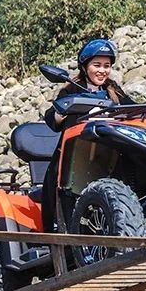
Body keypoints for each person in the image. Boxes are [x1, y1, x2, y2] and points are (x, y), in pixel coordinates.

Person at [40, 38, 133, 232]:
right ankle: (63, 232)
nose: (102, 70)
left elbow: (133, 109)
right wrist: (64, 109)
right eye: (97, 65)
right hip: (75, 155)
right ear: (84, 66)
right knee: (58, 177)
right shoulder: (71, 88)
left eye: (107, 66)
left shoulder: (113, 90)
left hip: (110, 152)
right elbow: (52, 120)